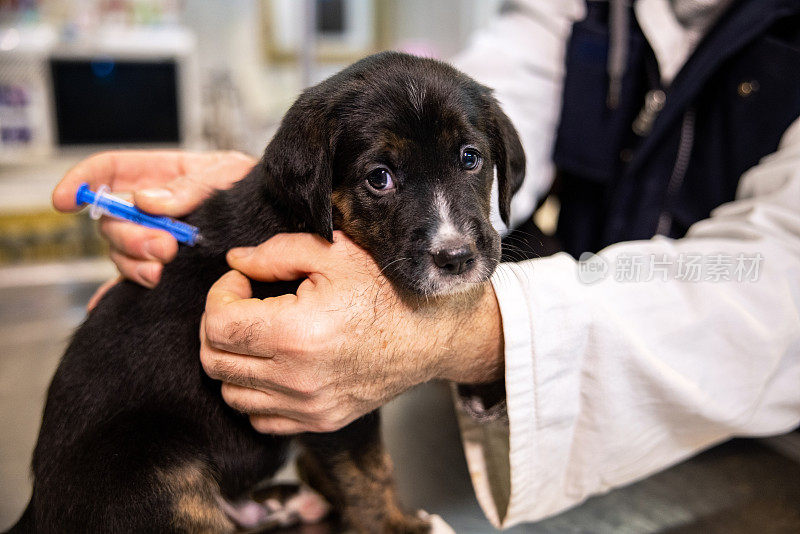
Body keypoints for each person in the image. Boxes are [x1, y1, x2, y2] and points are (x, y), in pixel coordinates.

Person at [52, 0, 800, 528]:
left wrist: (471, 330)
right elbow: (464, 95)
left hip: (766, 432)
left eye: (472, 164)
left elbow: (781, 275)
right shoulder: (581, 7)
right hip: (135, 471)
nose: (452, 236)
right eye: (381, 176)